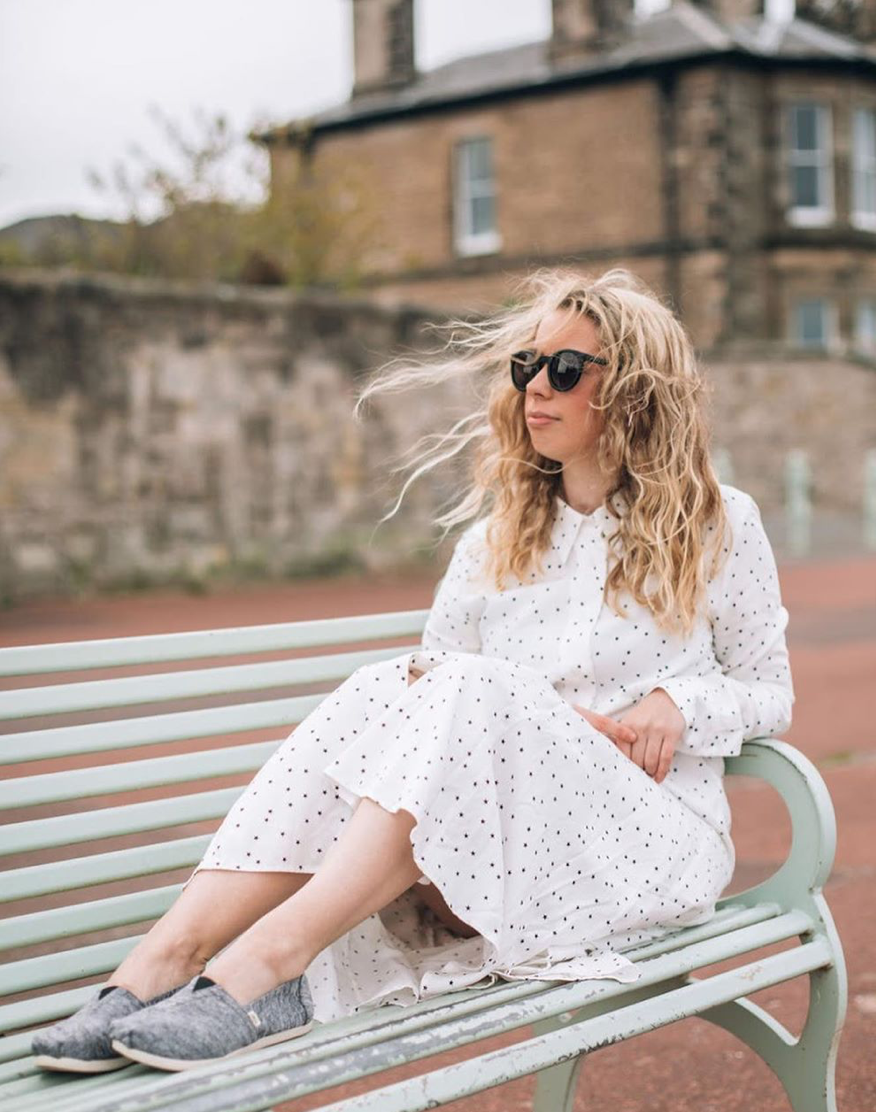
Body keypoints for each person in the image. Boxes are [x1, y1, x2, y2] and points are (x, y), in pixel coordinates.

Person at [32, 267, 794, 1074]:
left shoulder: (718, 525)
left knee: (472, 684)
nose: (538, 387)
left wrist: (681, 702)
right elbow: (427, 702)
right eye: (527, 367)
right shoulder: (494, 542)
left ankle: (264, 969)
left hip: (646, 840)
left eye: (566, 370)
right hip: (495, 841)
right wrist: (500, 718)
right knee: (391, 685)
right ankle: (162, 962)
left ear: (637, 391)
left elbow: (769, 690)